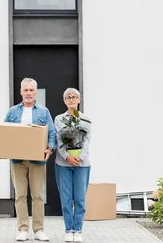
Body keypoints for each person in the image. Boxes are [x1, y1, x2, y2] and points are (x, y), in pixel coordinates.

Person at [3, 78, 56, 242]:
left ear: (36, 92)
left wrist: (50, 148)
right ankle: (23, 230)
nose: (28, 93)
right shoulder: (12, 112)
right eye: (25, 90)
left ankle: (39, 230)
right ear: (21, 92)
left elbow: (52, 133)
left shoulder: (43, 111)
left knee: (38, 196)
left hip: (37, 160)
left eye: (31, 90)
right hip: (17, 161)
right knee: (20, 195)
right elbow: (3, 132)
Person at [54, 88, 91, 243]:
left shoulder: (86, 119)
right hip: (63, 164)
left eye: (74, 97)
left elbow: (87, 140)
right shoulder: (59, 119)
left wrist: (80, 157)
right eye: (68, 97)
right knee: (66, 198)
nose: (71, 99)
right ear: (64, 100)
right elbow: (58, 140)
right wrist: (68, 157)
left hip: (82, 164)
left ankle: (78, 230)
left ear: (79, 100)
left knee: (80, 198)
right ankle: (69, 230)